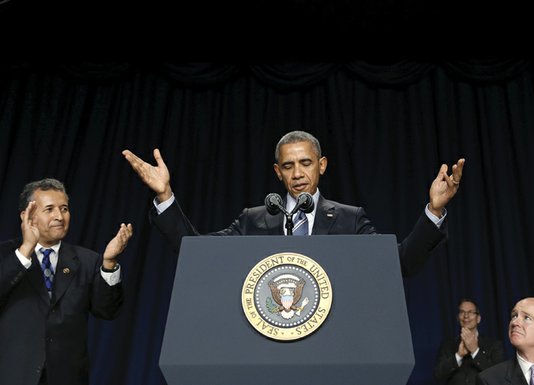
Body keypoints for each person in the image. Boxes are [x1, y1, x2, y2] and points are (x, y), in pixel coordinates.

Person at [122, 130, 465, 276]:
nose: (298, 173)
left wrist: (433, 210)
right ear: (277, 172)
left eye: (306, 163)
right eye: (288, 166)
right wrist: (165, 196)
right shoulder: (253, 221)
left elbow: (400, 264)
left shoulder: (349, 219)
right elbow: (195, 253)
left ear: (322, 165)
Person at [0, 178, 133, 385]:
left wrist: (109, 264)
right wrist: (25, 250)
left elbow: (107, 311)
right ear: (28, 216)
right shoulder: (5, 255)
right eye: (50, 209)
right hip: (13, 374)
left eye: (64, 209)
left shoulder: (88, 261)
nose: (59, 216)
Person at [435, 298, 504, 385]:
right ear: (458, 318)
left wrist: (475, 351)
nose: (466, 316)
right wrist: (458, 356)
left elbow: (497, 376)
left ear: (478, 318)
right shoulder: (447, 346)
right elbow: (438, 375)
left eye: (470, 312)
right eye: (462, 312)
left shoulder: (494, 345)